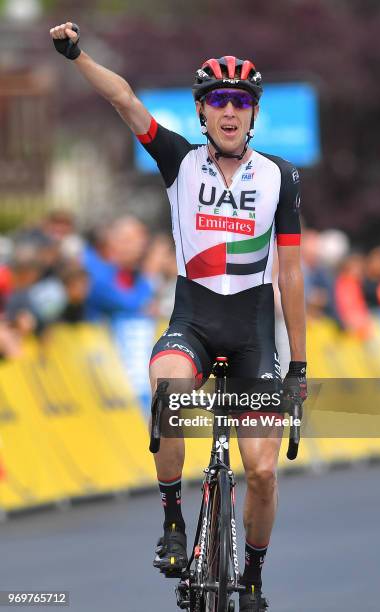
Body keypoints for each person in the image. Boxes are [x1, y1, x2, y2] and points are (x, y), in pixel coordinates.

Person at [50, 23, 307, 611]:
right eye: (219, 100)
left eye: (241, 102)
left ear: (254, 113)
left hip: (252, 337)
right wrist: (78, 55)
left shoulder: (281, 178)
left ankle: (255, 578)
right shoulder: (178, 161)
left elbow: (289, 275)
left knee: (262, 472)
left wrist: (298, 361)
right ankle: (172, 519)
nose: (230, 111)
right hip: (192, 321)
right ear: (201, 111)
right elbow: (124, 99)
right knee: (167, 393)